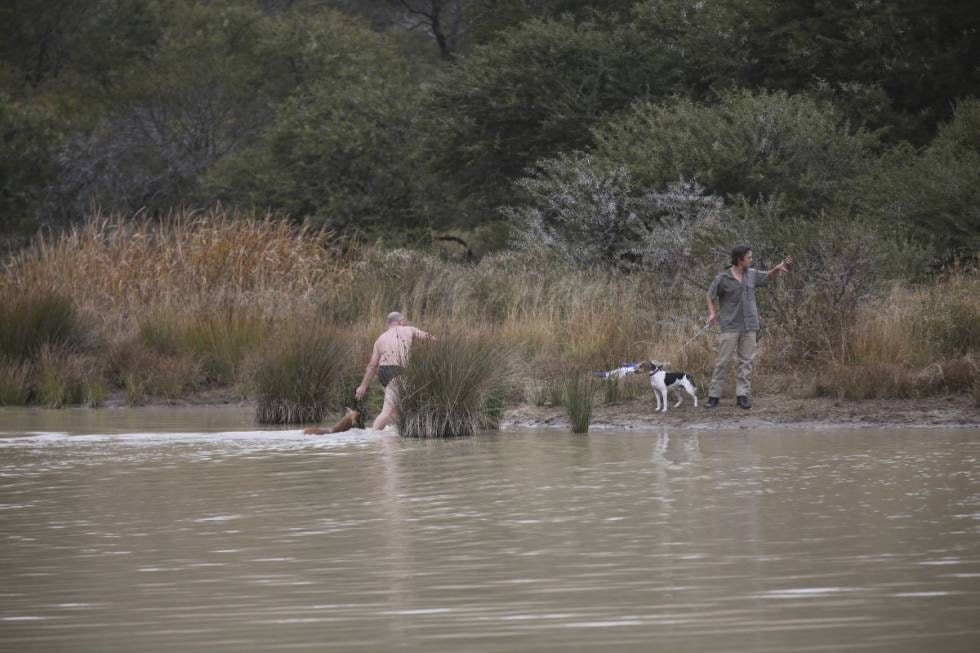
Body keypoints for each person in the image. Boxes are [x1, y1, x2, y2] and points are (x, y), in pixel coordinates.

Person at [705, 245, 793, 409]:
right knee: (722, 362)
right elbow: (710, 296)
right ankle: (713, 396)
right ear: (739, 259)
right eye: (749, 258)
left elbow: (768, 277)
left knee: (746, 362)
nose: (751, 260)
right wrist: (712, 314)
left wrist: (776, 268)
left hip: (749, 324)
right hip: (730, 325)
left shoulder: (752, 274)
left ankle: (742, 396)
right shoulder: (722, 277)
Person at [354, 312, 433, 430]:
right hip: (398, 371)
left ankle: (392, 439)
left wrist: (363, 387)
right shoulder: (408, 329)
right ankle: (372, 436)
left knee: (395, 410)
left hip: (383, 373)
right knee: (387, 411)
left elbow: (372, 366)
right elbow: (430, 339)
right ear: (401, 321)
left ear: (389, 323)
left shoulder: (380, 339)